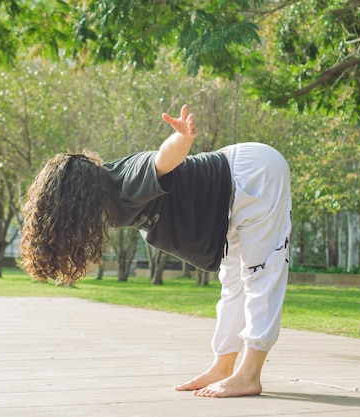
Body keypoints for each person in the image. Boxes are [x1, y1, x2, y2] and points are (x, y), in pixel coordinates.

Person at [20, 104, 292, 398]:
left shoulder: (124, 181)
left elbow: (162, 160)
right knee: (233, 283)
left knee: (260, 273)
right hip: (231, 188)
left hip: (254, 175)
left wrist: (182, 139)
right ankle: (223, 367)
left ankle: (249, 375)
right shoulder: (107, 197)